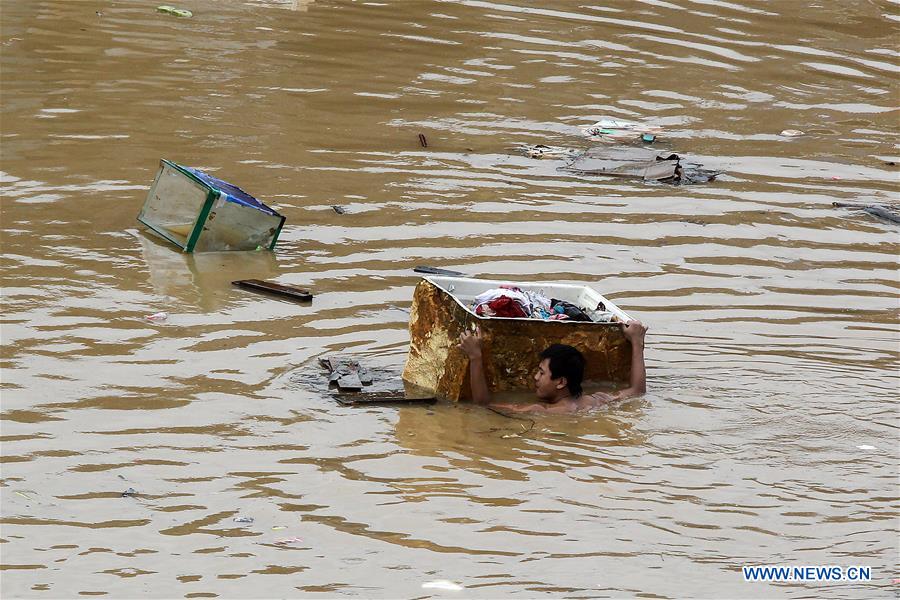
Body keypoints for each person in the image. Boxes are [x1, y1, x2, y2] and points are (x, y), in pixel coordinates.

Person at [456, 321, 648, 414]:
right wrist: (637, 342)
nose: (535, 377)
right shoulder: (597, 401)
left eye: (541, 372)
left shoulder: (541, 411)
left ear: (561, 382)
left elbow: (481, 405)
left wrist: (475, 356)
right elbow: (637, 390)